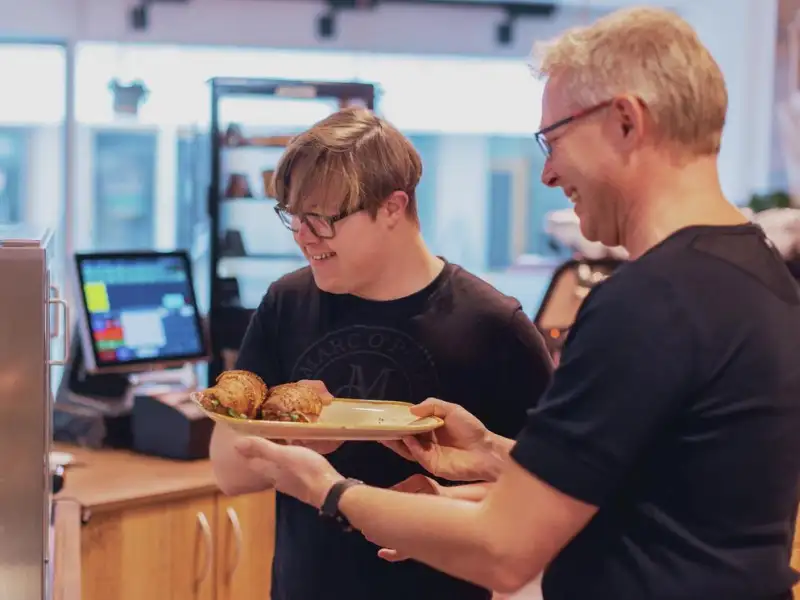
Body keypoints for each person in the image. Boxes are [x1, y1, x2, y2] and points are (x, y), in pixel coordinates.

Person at [232, 7, 800, 600]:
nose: (548, 173)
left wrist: (328, 489)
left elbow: (501, 552)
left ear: (626, 122)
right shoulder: (760, 272)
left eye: (554, 139)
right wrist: (494, 454)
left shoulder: (651, 303)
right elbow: (657, 503)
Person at [208, 106, 554, 600]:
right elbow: (227, 469)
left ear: (393, 207)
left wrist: (442, 502)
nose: (303, 236)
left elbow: (551, 497)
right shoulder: (287, 303)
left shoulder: (495, 326)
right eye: (293, 216)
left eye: (322, 219)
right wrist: (289, 441)